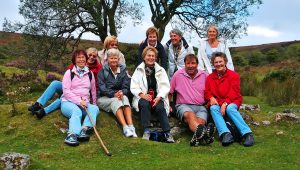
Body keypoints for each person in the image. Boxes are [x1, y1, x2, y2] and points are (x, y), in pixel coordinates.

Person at [28, 48, 102, 119]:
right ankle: (38, 104)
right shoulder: (76, 64)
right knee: (55, 84)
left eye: (94, 56)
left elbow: (95, 86)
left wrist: (93, 101)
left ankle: (44, 111)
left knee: (64, 98)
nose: (91, 57)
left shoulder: (97, 68)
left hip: (83, 93)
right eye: (90, 55)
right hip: (70, 88)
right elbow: (67, 78)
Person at [205, 52, 254, 147]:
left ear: (225, 62)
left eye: (220, 61)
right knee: (213, 108)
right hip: (218, 101)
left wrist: (225, 103)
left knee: (230, 108)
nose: (218, 64)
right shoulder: (210, 77)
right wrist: (210, 97)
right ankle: (225, 134)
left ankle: (247, 134)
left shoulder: (234, 75)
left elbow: (234, 92)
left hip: (233, 100)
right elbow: (207, 92)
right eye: (216, 62)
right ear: (213, 64)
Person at [169, 54, 215, 146]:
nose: (190, 66)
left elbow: (211, 91)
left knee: (200, 122)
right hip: (183, 105)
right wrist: (169, 105)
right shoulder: (177, 75)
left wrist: (210, 100)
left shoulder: (204, 75)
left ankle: (196, 139)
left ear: (197, 64)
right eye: (188, 63)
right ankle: (206, 135)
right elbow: (170, 92)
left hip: (201, 107)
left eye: (193, 63)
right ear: (184, 64)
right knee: (190, 116)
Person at [130, 46, 174, 143]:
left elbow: (165, 86)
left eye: (153, 56)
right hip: (143, 97)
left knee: (160, 107)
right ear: (144, 57)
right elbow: (134, 86)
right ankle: (146, 131)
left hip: (157, 98)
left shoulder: (161, 70)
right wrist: (142, 94)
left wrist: (159, 97)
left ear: (156, 57)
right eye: (148, 55)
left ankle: (167, 133)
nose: (151, 58)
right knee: (144, 104)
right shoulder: (138, 70)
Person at [61, 49, 100, 146]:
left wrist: (93, 105)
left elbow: (93, 91)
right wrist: (79, 101)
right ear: (74, 60)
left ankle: (84, 129)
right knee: (76, 111)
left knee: (95, 108)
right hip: (68, 103)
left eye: (83, 57)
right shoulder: (69, 73)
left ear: (86, 59)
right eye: (78, 57)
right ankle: (71, 135)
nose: (81, 59)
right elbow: (66, 92)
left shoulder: (90, 74)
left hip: (84, 104)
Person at [97, 49, 137, 137]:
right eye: (111, 58)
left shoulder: (123, 71)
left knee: (125, 98)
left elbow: (126, 86)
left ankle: (131, 127)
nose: (114, 60)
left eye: (116, 58)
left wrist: (122, 92)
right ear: (107, 59)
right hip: (103, 98)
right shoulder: (102, 72)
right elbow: (102, 88)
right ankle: (125, 127)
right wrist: (114, 94)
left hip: (119, 95)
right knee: (116, 101)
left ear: (118, 59)